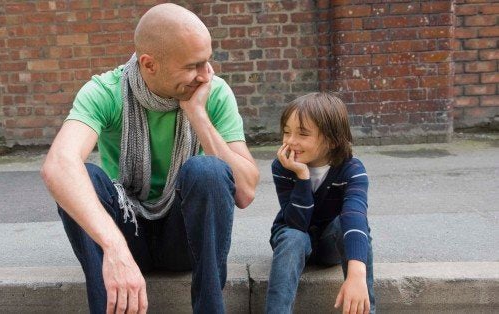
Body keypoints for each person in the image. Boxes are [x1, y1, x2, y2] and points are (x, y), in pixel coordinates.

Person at [41, 3, 259, 313]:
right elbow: (58, 165)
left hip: (183, 238)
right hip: (127, 230)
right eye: (192, 66)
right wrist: (115, 249)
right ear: (149, 64)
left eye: (207, 62)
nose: (204, 76)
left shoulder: (214, 93)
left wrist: (197, 114)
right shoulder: (106, 91)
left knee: (208, 171)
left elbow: (246, 191)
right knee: (84, 177)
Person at [265, 92, 376, 314]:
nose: (290, 141)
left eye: (302, 133)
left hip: (331, 246)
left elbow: (355, 217)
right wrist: (302, 177)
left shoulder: (352, 170)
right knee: (293, 236)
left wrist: (356, 276)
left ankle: (367, 309)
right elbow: (296, 224)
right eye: (287, 132)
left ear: (333, 139)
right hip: (293, 242)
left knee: (349, 223)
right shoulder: (283, 167)